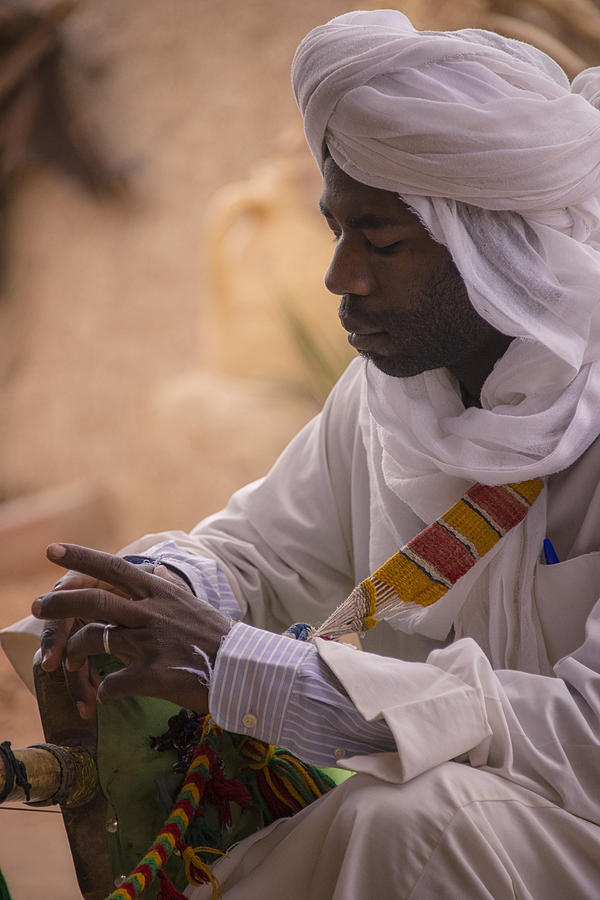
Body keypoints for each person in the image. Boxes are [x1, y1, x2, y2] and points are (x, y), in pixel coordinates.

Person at [24, 9, 600, 898]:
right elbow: (258, 552)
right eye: (337, 230)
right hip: (481, 818)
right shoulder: (392, 397)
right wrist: (155, 594)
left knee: (409, 823)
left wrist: (251, 671)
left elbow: (587, 737)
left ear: (496, 247)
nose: (340, 277)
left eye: (382, 241)